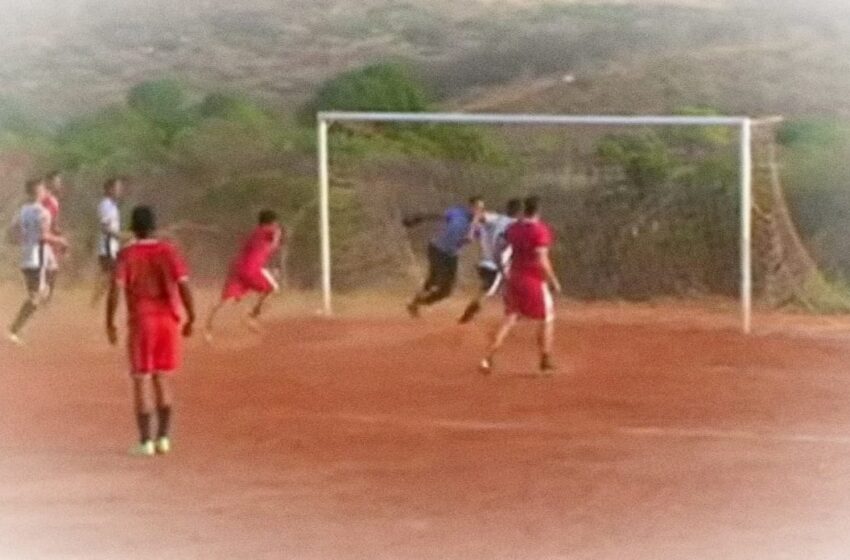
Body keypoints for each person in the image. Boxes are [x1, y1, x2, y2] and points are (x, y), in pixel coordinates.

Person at [107, 206, 195, 457]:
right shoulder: (168, 250)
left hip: (142, 321)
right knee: (162, 377)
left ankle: (145, 441)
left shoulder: (127, 254)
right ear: (155, 226)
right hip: (168, 320)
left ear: (133, 228)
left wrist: (110, 321)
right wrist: (192, 316)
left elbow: (116, 288)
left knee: (141, 379)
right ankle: (164, 438)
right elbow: (183, 285)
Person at [479, 196, 561, 376]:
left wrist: (501, 268)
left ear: (524, 210)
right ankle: (545, 360)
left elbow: (500, 247)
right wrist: (553, 280)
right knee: (546, 318)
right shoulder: (540, 231)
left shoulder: (514, 229)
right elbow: (542, 259)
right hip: (533, 280)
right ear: (538, 210)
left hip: (513, 277)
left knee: (510, 317)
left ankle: (487, 358)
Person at [204, 209, 284, 340]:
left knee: (226, 299)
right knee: (273, 290)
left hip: (237, 268)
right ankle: (251, 316)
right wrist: (278, 233)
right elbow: (274, 242)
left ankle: (208, 330)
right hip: (252, 268)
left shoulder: (254, 233)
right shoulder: (269, 230)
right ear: (272, 222)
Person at [6, 179, 69, 345]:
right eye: (42, 190)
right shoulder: (42, 212)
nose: (45, 192)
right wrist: (61, 241)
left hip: (29, 256)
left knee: (43, 286)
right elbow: (43, 236)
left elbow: (11, 232)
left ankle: (17, 328)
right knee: (35, 297)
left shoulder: (22, 210)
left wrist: (24, 240)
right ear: (38, 193)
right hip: (37, 257)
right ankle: (14, 329)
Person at [405, 197, 485, 318]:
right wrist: (420, 218)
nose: (478, 210)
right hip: (437, 249)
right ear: (469, 207)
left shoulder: (478, 226)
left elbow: (477, 240)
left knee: (446, 291)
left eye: (481, 208)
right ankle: (415, 302)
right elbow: (438, 216)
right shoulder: (457, 212)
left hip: (451, 255)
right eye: (476, 207)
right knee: (434, 279)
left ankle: (416, 303)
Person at [458, 198, 522, 324]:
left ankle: (513, 310)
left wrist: (471, 232)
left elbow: (477, 215)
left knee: (505, 286)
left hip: (485, 261)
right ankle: (469, 313)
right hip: (497, 264)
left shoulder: (496, 218)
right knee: (488, 290)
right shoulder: (518, 226)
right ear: (520, 212)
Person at [92, 178, 123, 306]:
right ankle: (95, 304)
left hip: (112, 246)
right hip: (107, 246)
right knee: (110, 277)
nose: (120, 190)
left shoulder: (112, 205)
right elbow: (105, 227)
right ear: (109, 189)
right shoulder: (106, 205)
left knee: (107, 278)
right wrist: (120, 236)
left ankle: (94, 303)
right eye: (117, 187)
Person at [41, 171, 64, 303]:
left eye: (59, 182)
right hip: (44, 239)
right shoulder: (44, 199)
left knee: (52, 270)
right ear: (49, 182)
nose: (58, 184)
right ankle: (42, 299)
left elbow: (54, 221)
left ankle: (46, 299)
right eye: (56, 181)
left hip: (51, 239)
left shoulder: (54, 200)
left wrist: (58, 233)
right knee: (48, 270)